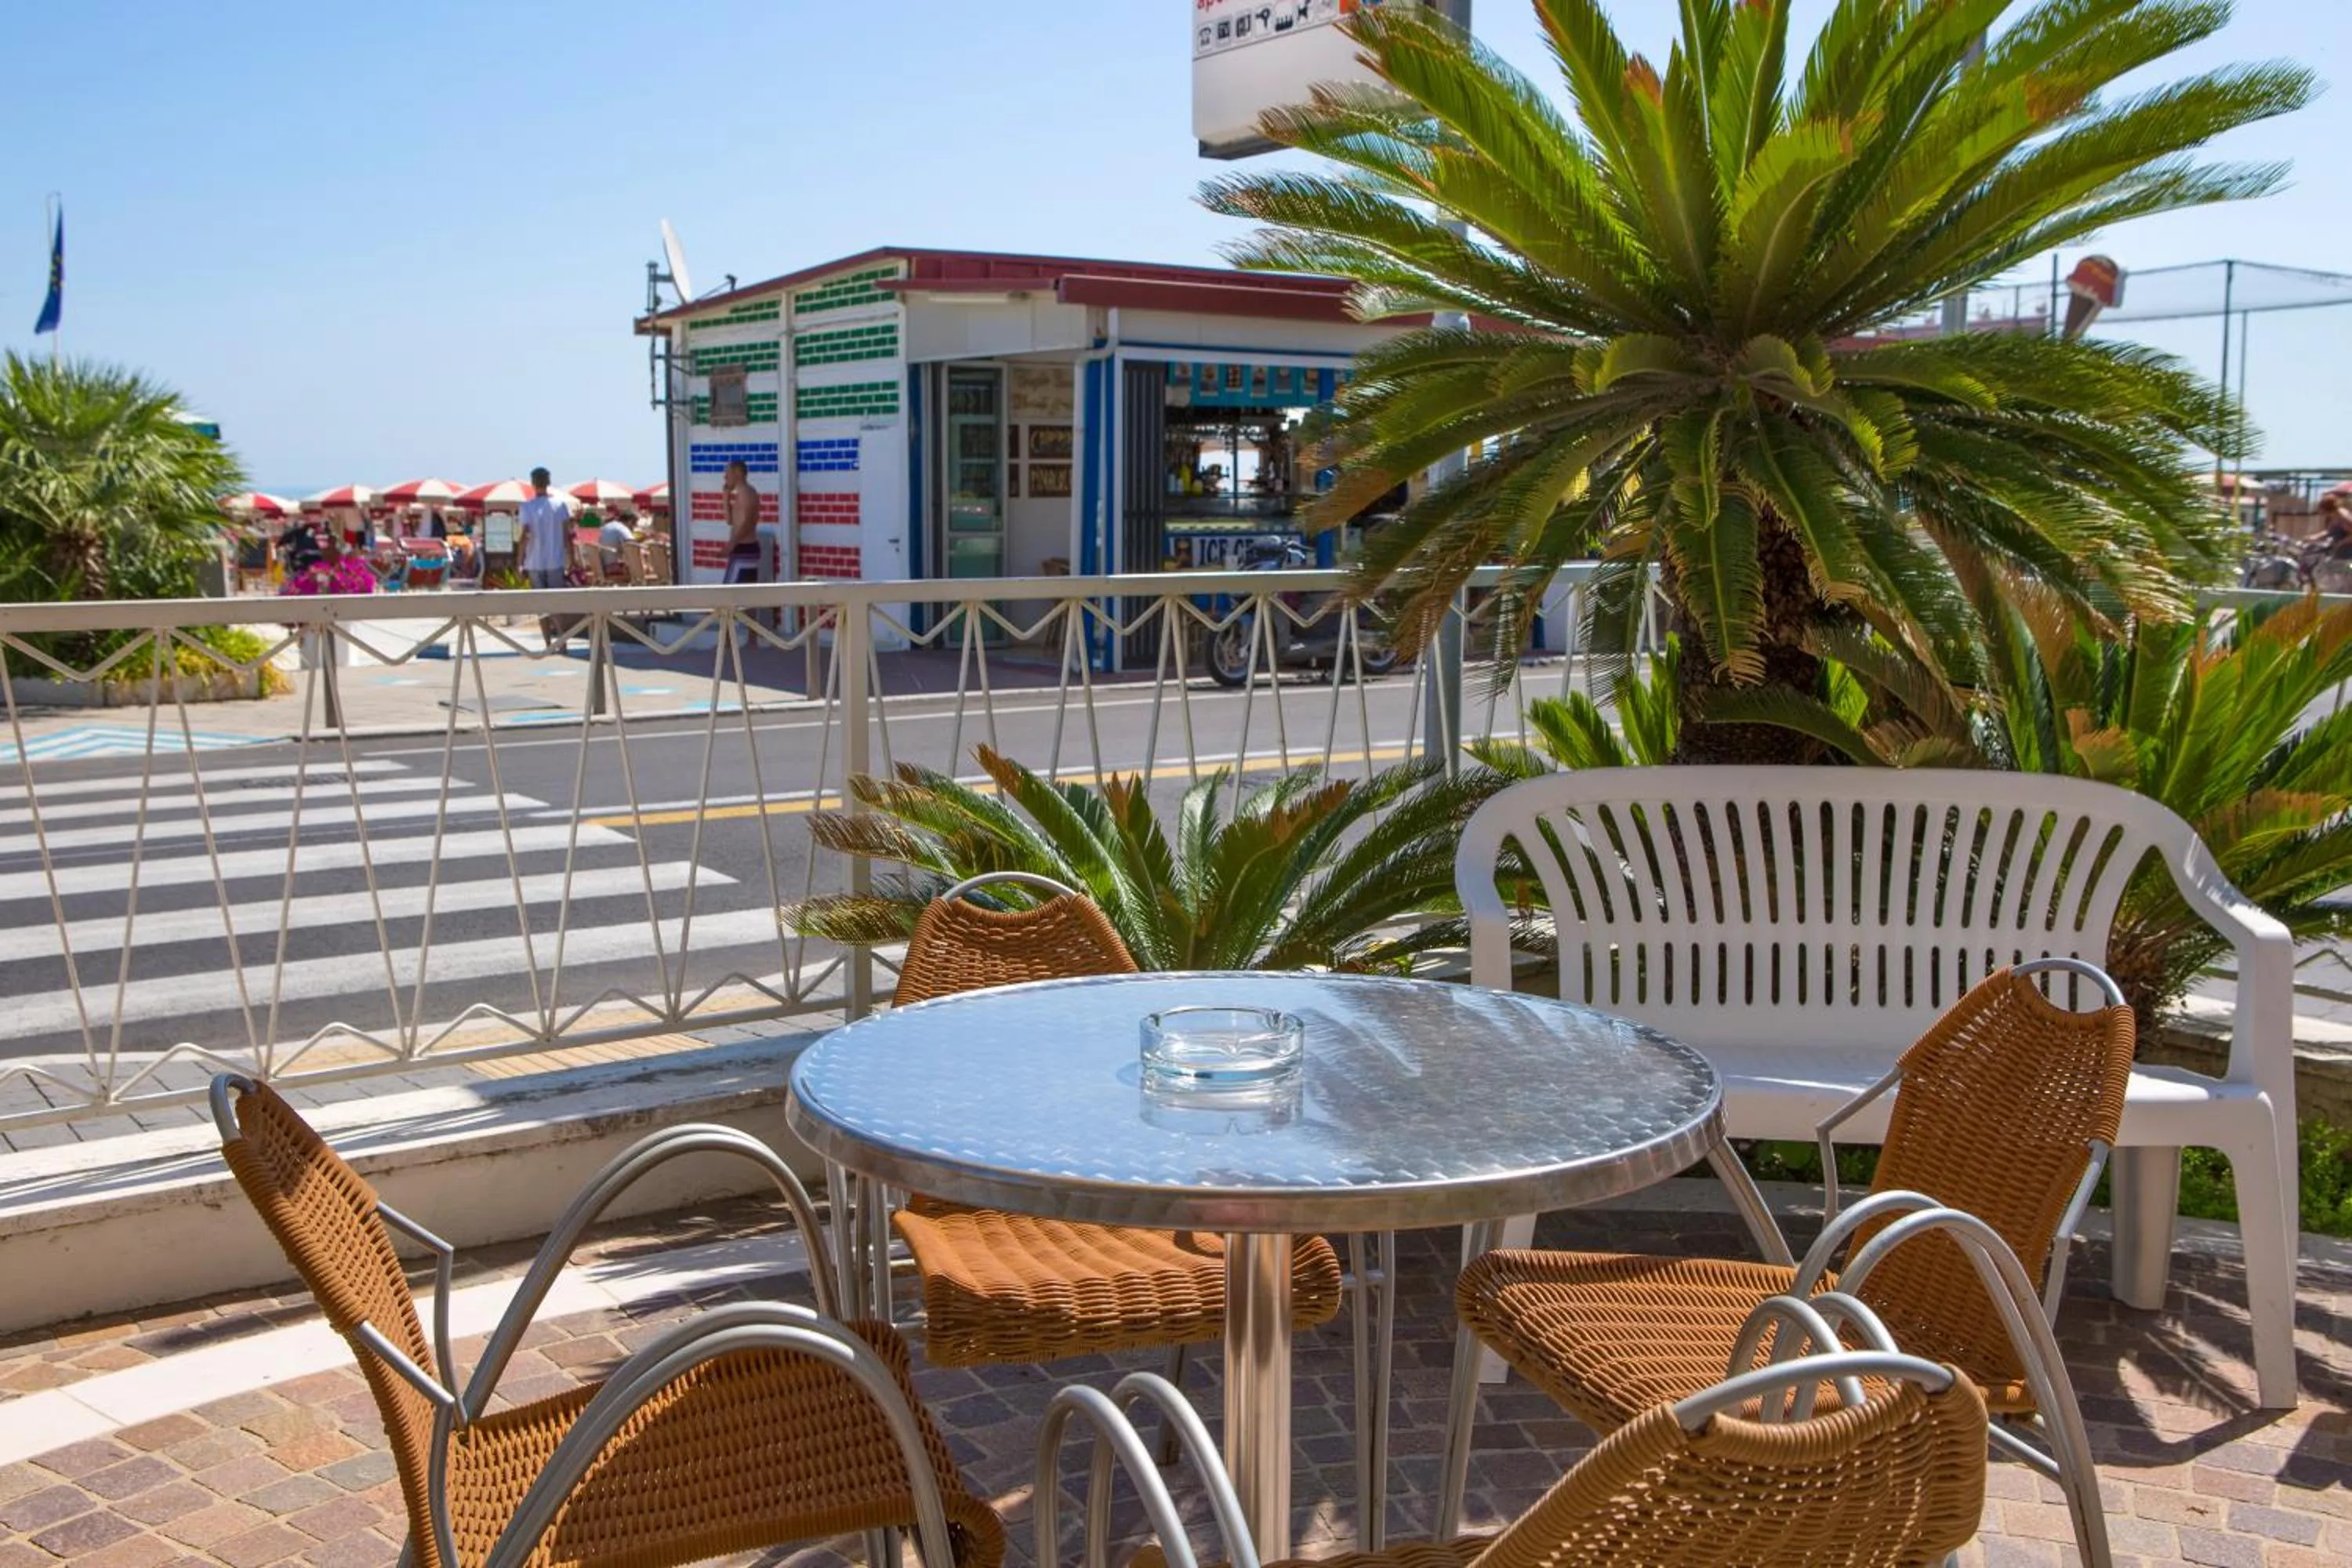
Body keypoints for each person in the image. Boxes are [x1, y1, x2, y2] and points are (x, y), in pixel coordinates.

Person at [516, 466, 575, 646]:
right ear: (549, 482)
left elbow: (525, 536)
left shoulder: (527, 507)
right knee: (556, 603)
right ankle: (562, 641)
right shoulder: (560, 505)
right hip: (555, 560)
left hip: (534, 562)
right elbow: (567, 536)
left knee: (540, 605)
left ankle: (548, 643)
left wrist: (519, 562)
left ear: (533, 484)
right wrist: (571, 559)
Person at [722, 459, 763, 583]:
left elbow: (748, 523)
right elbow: (730, 521)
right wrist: (726, 498)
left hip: (746, 548)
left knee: (732, 594)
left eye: (728, 473)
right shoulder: (739, 495)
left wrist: (730, 545)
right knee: (732, 593)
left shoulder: (747, 492)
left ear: (737, 473)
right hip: (738, 548)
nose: (725, 477)